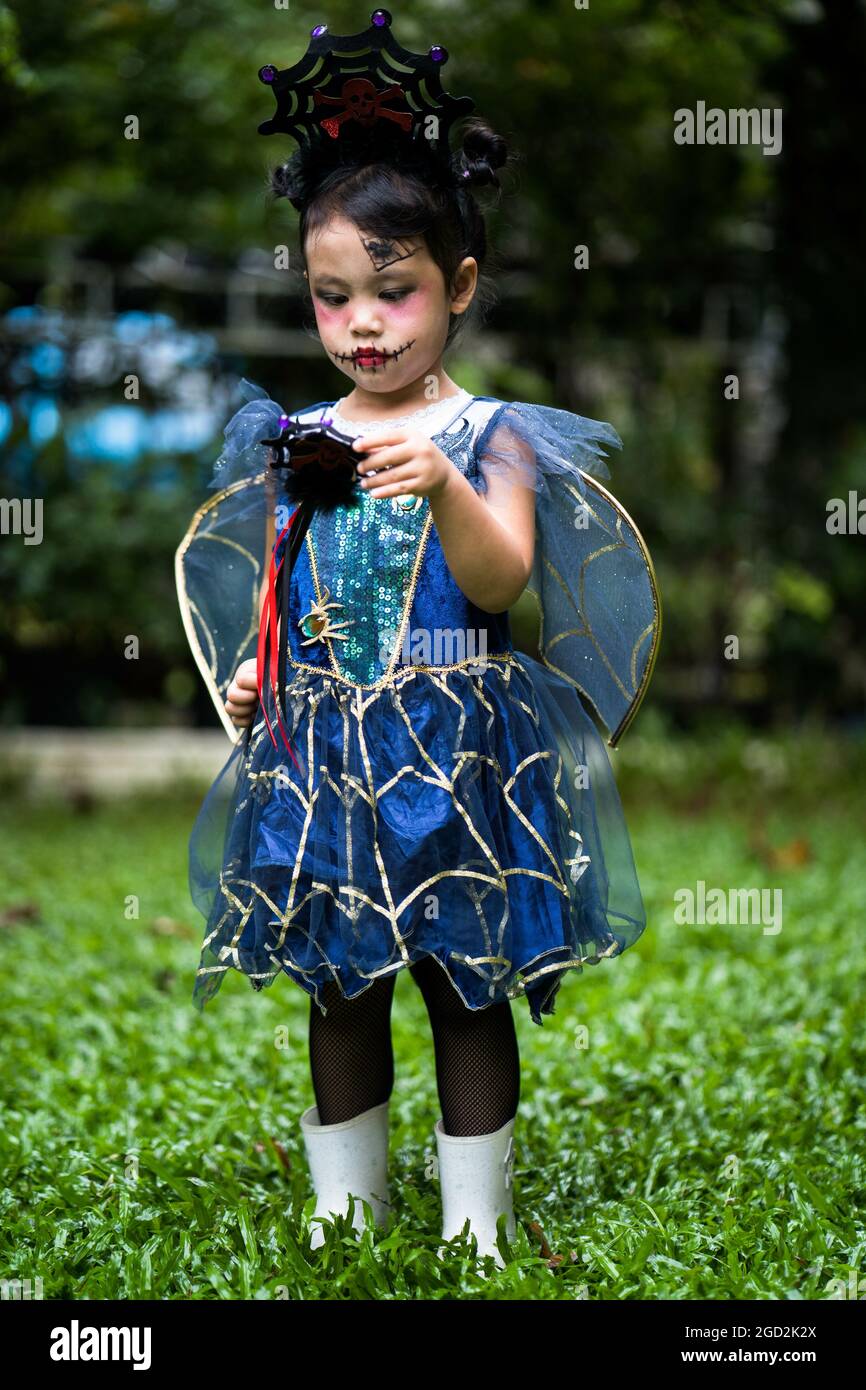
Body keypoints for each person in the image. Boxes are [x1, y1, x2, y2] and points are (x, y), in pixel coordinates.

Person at [175, 8, 661, 1270]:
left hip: (454, 735)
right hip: (327, 739)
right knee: (340, 979)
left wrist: (442, 483)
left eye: (392, 291)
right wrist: (261, 663)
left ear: (456, 286)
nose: (364, 325)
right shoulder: (305, 436)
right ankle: (348, 1208)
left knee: (463, 977)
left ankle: (475, 1221)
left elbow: (500, 581)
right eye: (334, 297)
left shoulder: (493, 433)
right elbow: (288, 571)